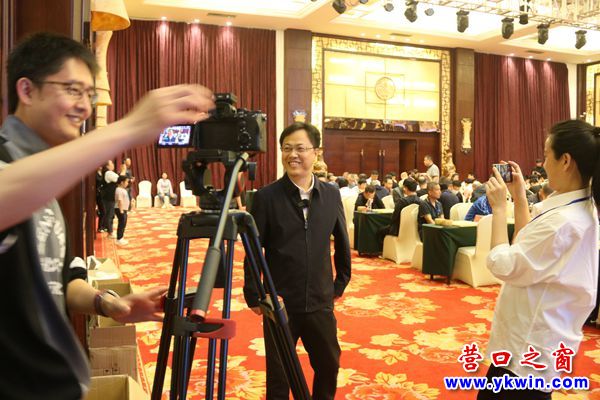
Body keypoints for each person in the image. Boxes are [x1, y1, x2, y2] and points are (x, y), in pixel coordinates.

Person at [0, 32, 214, 399]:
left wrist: (108, 303)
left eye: (90, 94)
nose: (84, 107)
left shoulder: (45, 181)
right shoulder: (13, 167)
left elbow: (61, 280)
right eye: (72, 90)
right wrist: (129, 128)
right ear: (27, 90)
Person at [478, 120, 600, 400]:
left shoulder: (563, 222)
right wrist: (519, 197)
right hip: (537, 341)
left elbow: (502, 264)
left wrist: (499, 209)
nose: (543, 164)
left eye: (546, 156)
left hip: (526, 349)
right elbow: (525, 246)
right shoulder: (578, 208)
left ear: (565, 160)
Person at [243, 122, 351, 400]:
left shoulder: (331, 194)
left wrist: (340, 282)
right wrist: (254, 294)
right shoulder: (266, 197)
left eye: (300, 148)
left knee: (329, 365)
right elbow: (253, 250)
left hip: (320, 301)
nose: (293, 155)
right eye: (287, 148)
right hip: (280, 302)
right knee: (279, 375)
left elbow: (342, 241)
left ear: (316, 152)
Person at [114, 175, 130, 245]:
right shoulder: (118, 190)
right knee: (121, 223)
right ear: (121, 182)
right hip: (120, 209)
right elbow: (120, 200)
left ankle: (121, 237)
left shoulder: (123, 189)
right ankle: (119, 239)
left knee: (123, 223)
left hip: (123, 209)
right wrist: (121, 211)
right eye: (126, 182)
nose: (127, 183)